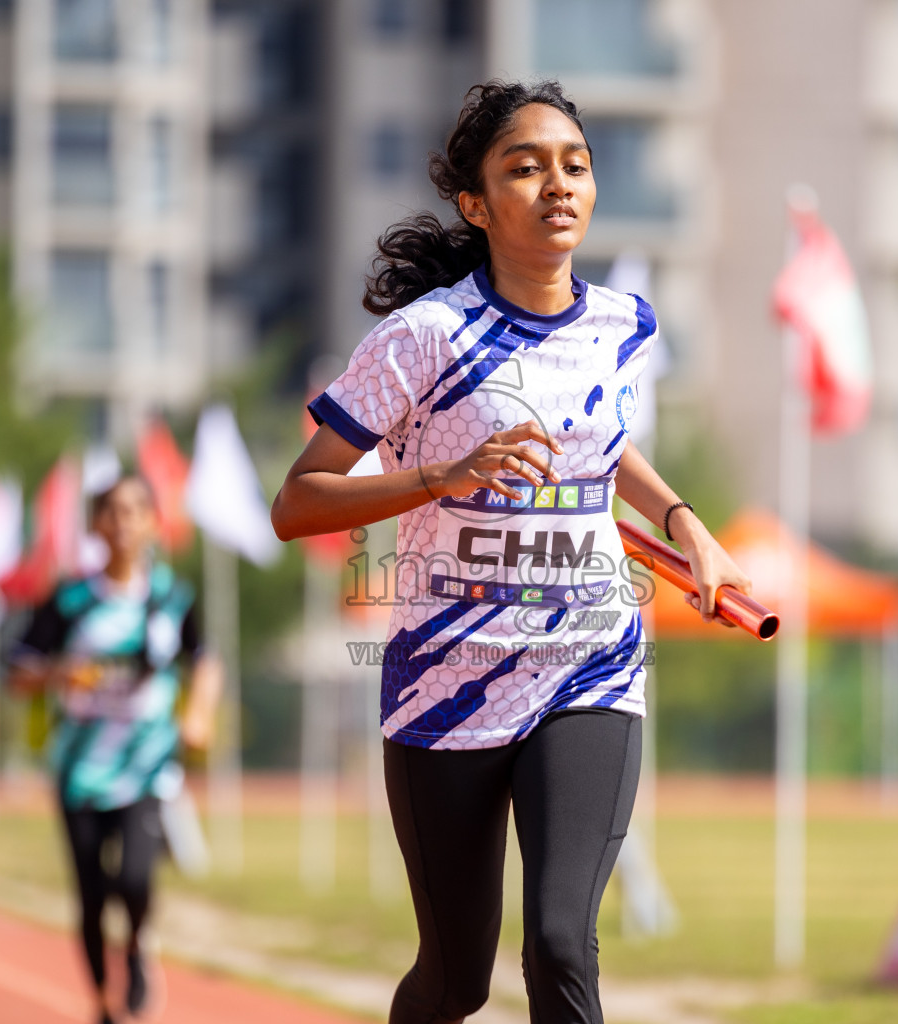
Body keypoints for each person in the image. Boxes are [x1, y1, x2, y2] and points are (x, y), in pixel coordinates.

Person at [271, 80, 752, 1024]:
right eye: (525, 169)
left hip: (590, 666)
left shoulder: (624, 327)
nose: (557, 185)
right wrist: (440, 477)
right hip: (446, 680)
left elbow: (601, 447)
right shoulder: (423, 338)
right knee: (455, 981)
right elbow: (296, 502)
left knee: (564, 941)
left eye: (575, 166)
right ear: (478, 204)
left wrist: (690, 525)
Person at [10, 474, 223, 1024]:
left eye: (135, 511)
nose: (124, 522)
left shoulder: (173, 597)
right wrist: (60, 674)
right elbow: (18, 671)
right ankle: (103, 998)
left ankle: (137, 948)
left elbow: (204, 661)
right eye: (112, 511)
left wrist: (199, 714)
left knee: (134, 879)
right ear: (96, 524)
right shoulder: (70, 599)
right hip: (81, 767)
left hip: (148, 764)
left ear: (154, 522)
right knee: (90, 896)